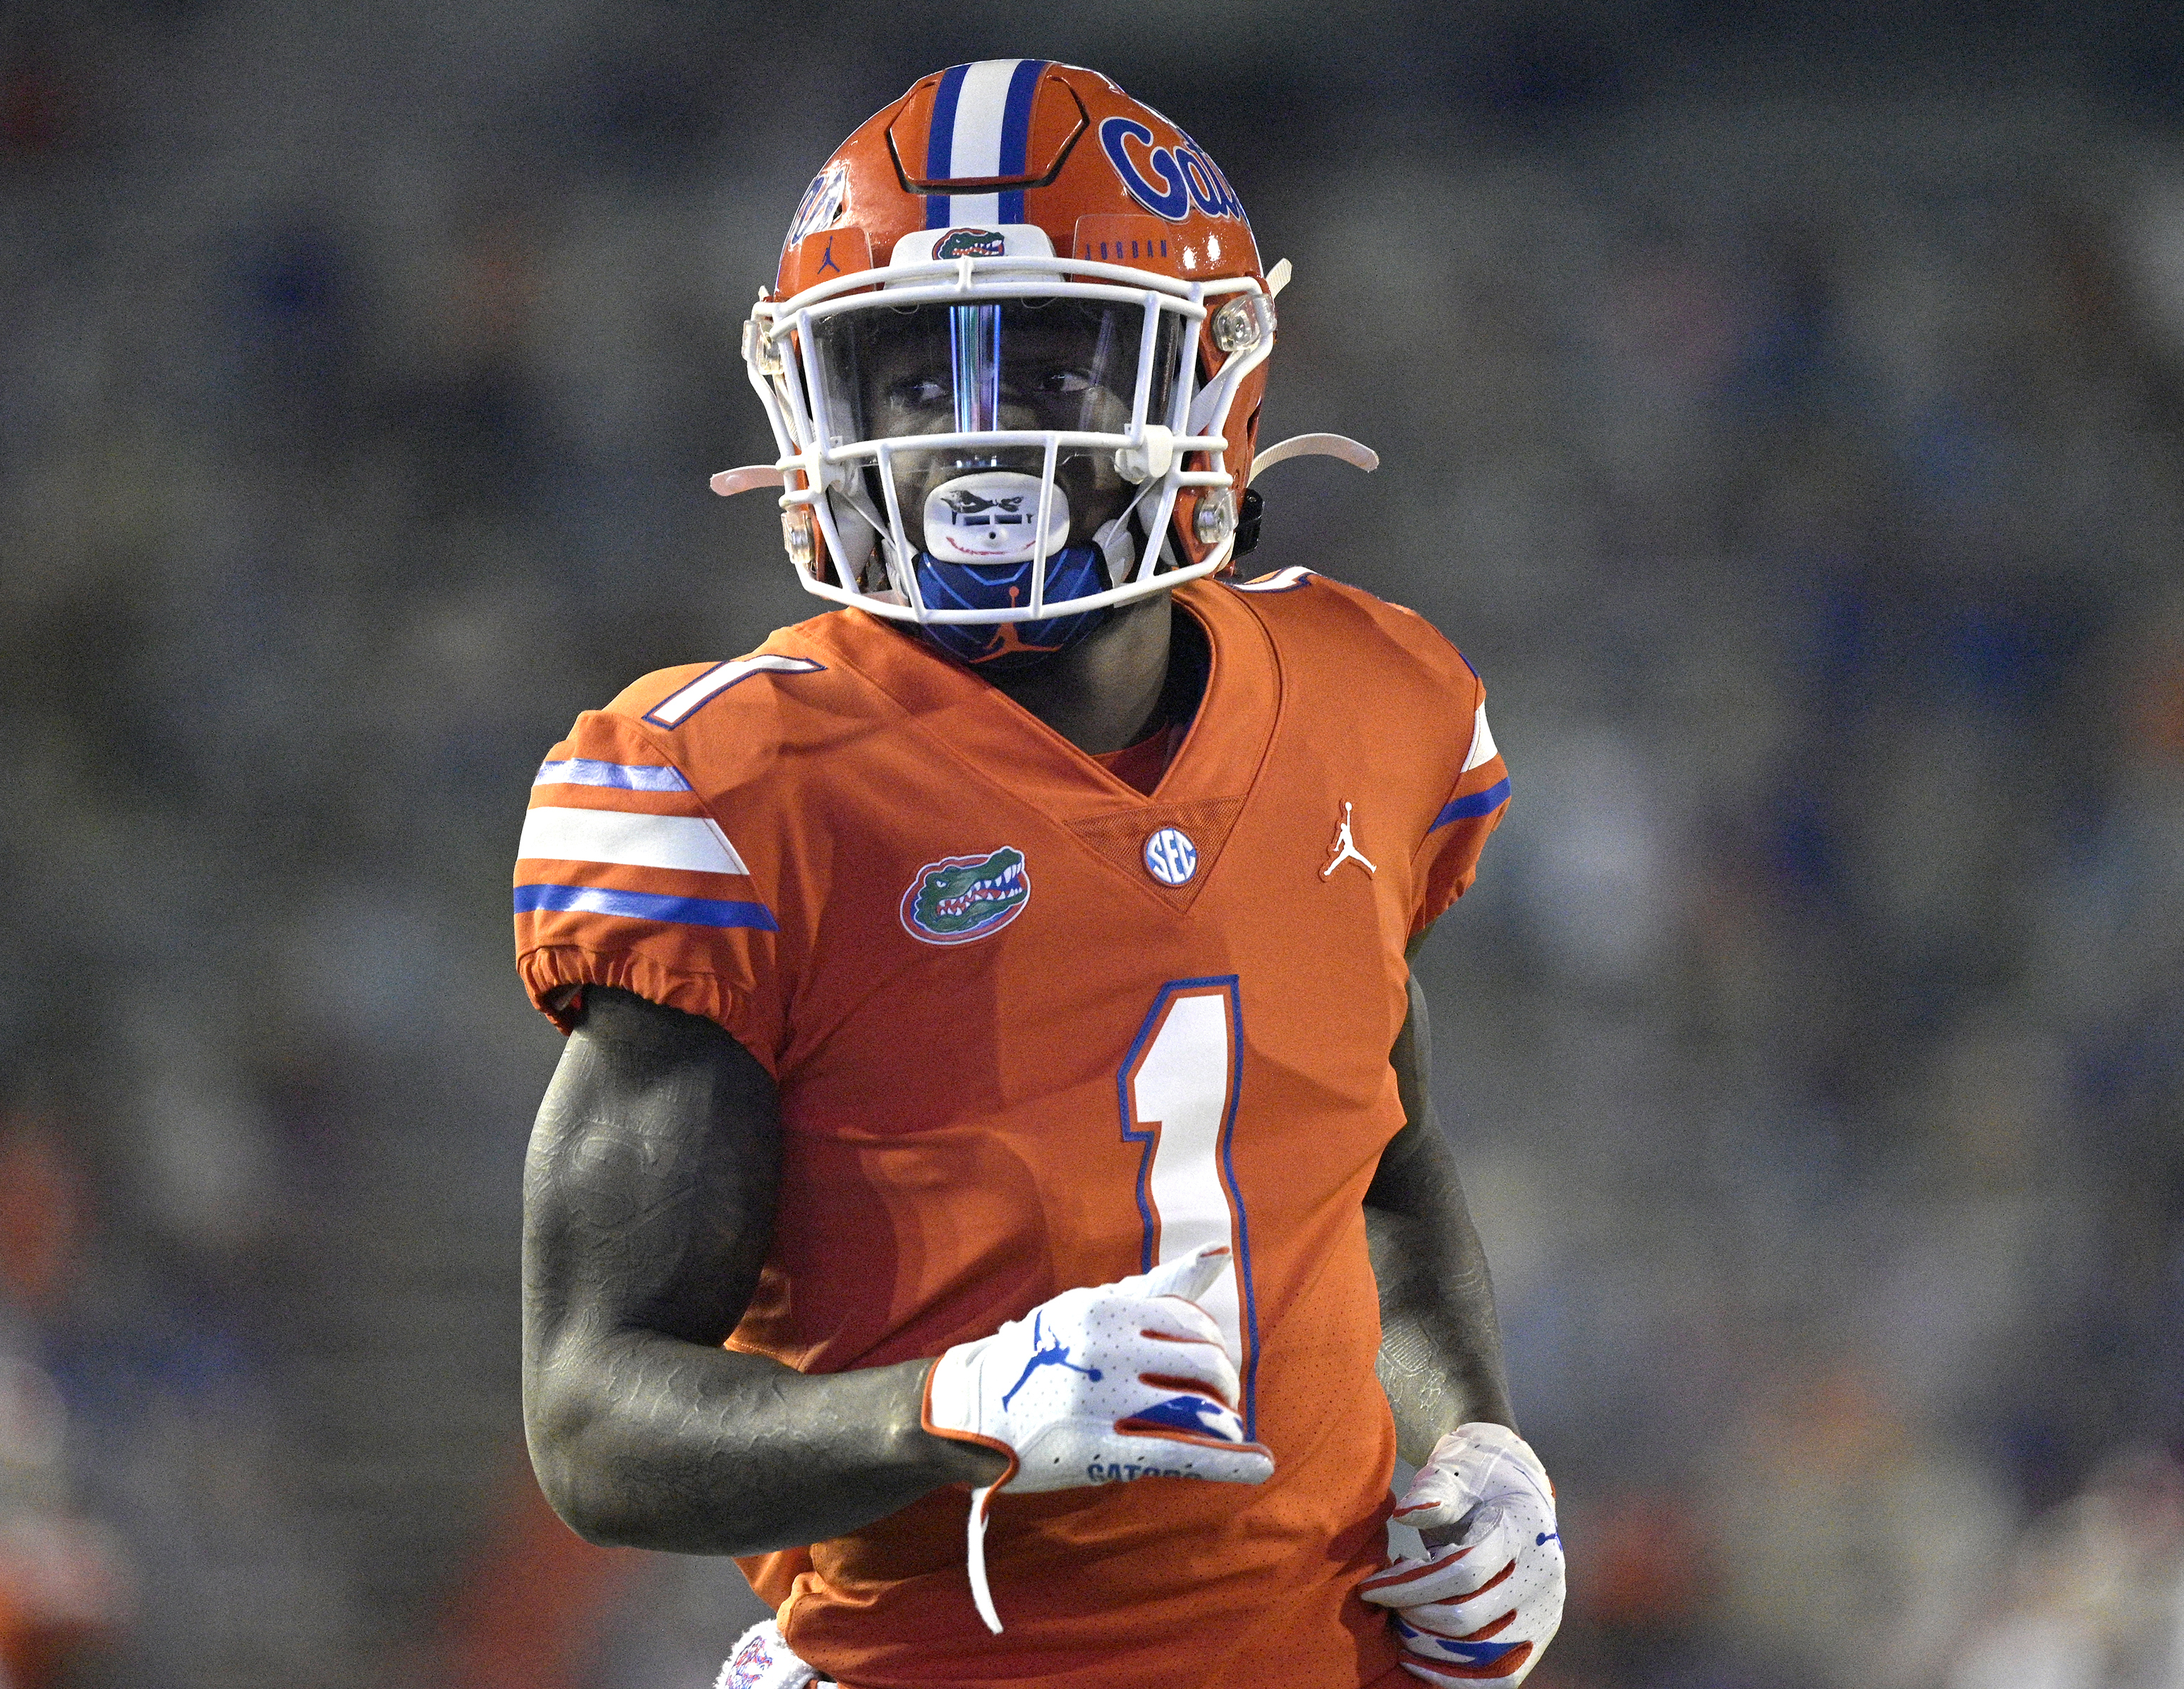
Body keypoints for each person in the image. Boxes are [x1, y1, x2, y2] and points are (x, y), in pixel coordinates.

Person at [513, 60, 1563, 1689]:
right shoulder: (729, 786)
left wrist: (1482, 1456)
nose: (972, 435)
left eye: (1058, 360)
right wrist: (937, 1411)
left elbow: (1382, 1183)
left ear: (1213, 385)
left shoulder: (1369, 695)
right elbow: (590, 1418)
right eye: (912, 378)